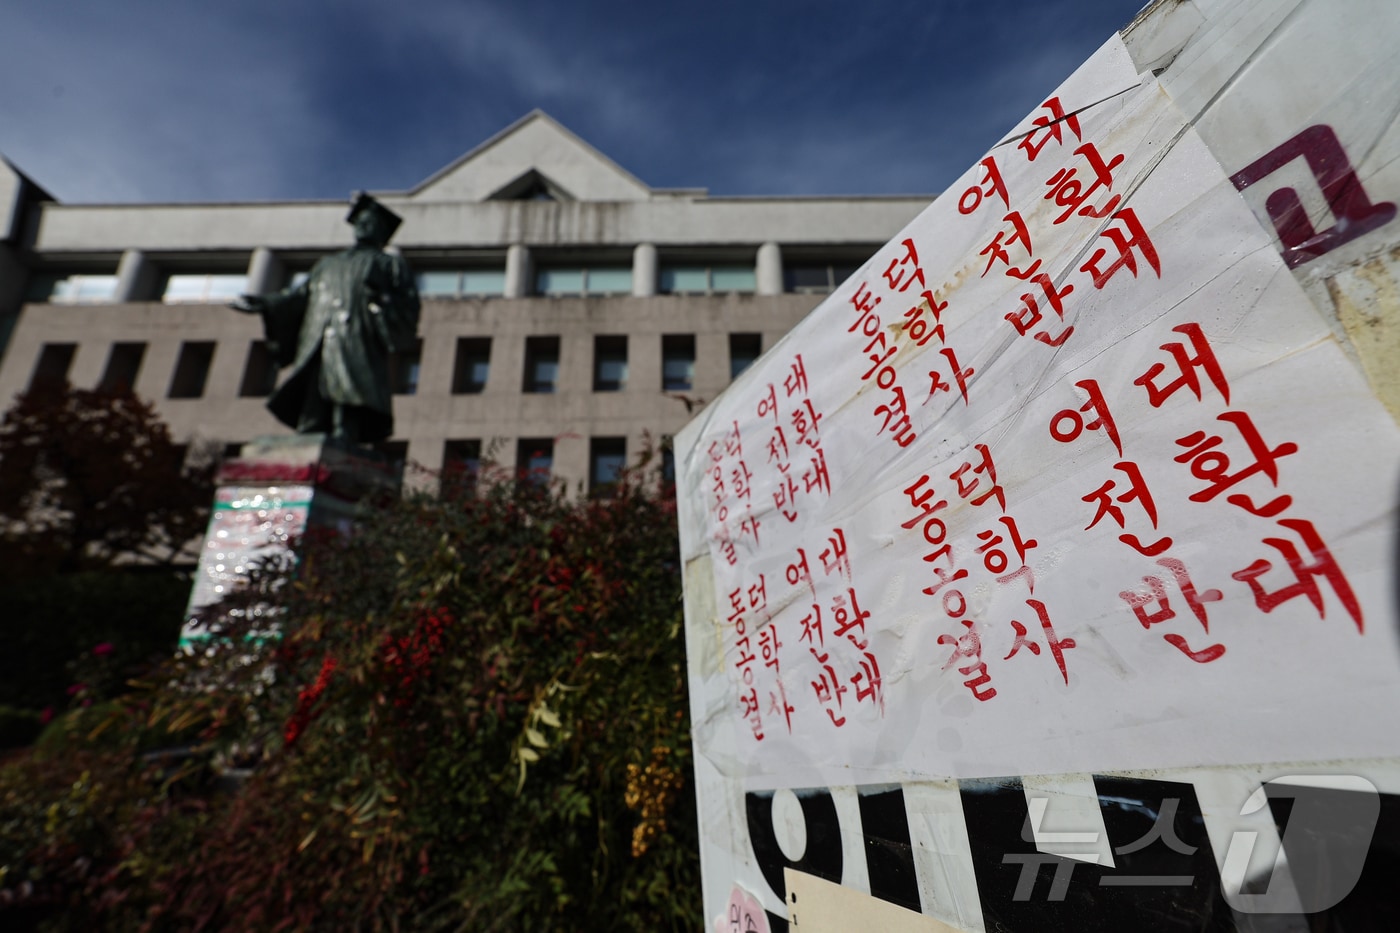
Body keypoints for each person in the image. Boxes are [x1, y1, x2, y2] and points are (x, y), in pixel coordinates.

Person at [230, 193, 420, 444]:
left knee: (350, 384)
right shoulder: (328, 264)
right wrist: (265, 302)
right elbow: (299, 296)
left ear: (383, 231)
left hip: (356, 334)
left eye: (371, 222)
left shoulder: (389, 264)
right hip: (319, 332)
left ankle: (347, 431)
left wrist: (382, 301)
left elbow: (407, 303)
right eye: (360, 221)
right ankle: (309, 427)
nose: (364, 226)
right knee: (314, 383)